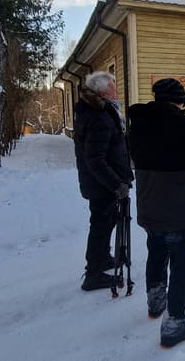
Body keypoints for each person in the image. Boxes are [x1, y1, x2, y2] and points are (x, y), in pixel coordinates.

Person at [128, 78, 185, 348]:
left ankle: (156, 300)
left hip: (149, 207)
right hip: (181, 210)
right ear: (179, 101)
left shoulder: (138, 125)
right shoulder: (184, 126)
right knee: (182, 266)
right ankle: (174, 322)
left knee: (156, 254)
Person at [73, 71, 134, 291]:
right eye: (114, 88)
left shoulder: (98, 112)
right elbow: (95, 159)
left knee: (105, 223)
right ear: (103, 91)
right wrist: (116, 184)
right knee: (100, 225)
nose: (117, 91)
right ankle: (94, 273)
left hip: (100, 183)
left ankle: (102, 259)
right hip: (103, 185)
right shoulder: (99, 117)